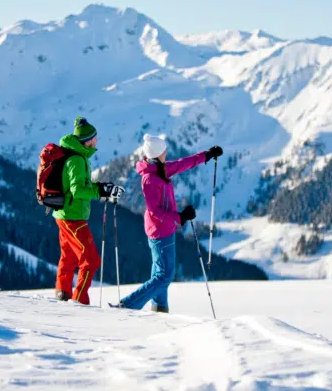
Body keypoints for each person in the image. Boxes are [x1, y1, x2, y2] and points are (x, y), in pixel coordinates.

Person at [110, 134, 223, 313]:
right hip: (159, 231)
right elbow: (155, 211)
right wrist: (180, 217)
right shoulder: (150, 179)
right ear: (157, 154)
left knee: (160, 273)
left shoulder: (160, 169)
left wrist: (206, 155)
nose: (166, 153)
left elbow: (182, 163)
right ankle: (127, 306)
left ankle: (159, 307)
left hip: (165, 229)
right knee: (164, 276)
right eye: (164, 151)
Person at [54, 116, 124, 304]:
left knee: (68, 256)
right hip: (72, 216)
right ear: (88, 140)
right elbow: (77, 190)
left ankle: (63, 292)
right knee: (91, 260)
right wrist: (100, 190)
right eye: (95, 138)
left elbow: (78, 186)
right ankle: (80, 299)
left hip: (67, 214)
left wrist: (102, 188)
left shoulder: (76, 155)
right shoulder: (77, 159)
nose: (97, 141)